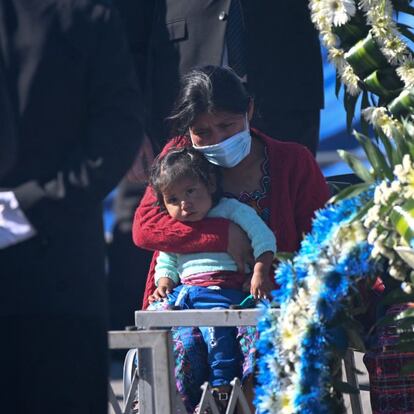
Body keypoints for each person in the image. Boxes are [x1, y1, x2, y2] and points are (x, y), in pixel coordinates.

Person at [133, 65, 330, 410]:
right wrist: (221, 234)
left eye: (227, 125)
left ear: (249, 110)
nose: (217, 140)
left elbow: (323, 242)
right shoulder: (178, 158)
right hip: (187, 311)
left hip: (268, 316)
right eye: (202, 132)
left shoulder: (291, 162)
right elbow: (145, 227)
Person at [0, 0, 143, 412]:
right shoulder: (86, 14)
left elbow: (118, 128)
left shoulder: (85, 17)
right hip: (63, 275)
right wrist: (34, 203)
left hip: (60, 285)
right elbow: (117, 131)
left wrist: (25, 206)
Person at [147, 146, 276, 409]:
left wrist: (260, 271)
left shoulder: (232, 210)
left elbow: (264, 238)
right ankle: (178, 395)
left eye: (190, 191)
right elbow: (167, 260)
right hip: (184, 297)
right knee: (176, 338)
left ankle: (221, 389)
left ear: (210, 184)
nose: (185, 204)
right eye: (173, 199)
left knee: (218, 335)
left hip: (223, 293)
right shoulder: (177, 228)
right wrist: (164, 283)